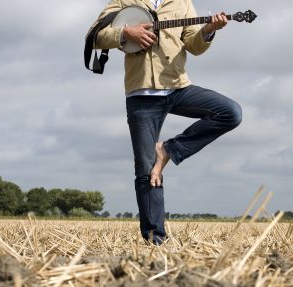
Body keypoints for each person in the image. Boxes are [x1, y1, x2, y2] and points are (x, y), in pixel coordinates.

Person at [89, 0, 242, 244]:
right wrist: (125, 33)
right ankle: (155, 241)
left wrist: (208, 30)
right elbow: (95, 35)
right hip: (141, 93)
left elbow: (194, 44)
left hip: (178, 87)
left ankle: (169, 149)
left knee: (230, 112)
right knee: (146, 170)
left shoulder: (182, 2)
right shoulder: (122, 0)